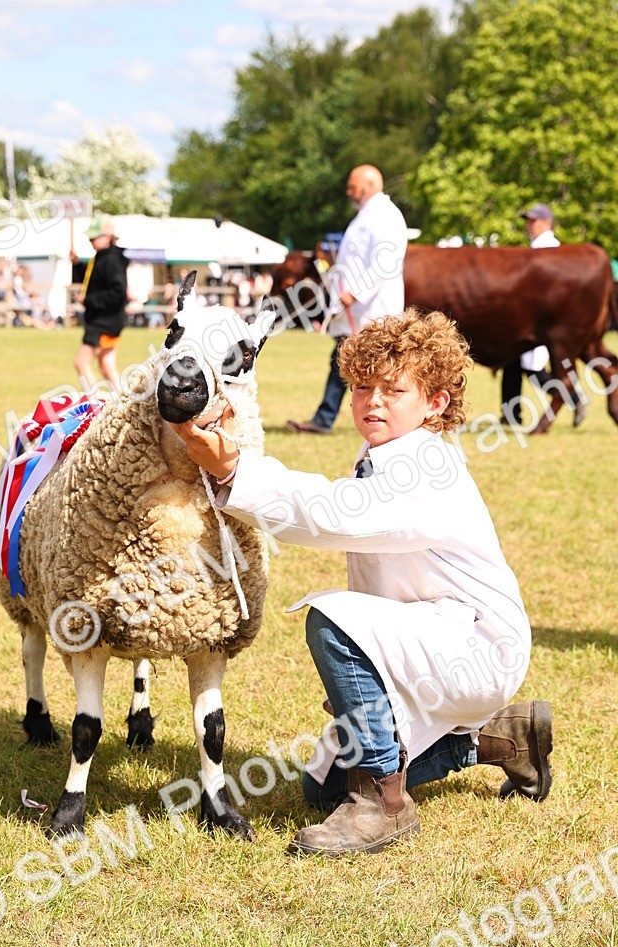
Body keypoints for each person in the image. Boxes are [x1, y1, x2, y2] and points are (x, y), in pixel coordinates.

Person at [170, 308, 552, 857]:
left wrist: (234, 468)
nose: (373, 401)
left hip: (476, 649)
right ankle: (504, 738)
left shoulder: (425, 468)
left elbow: (334, 513)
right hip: (433, 643)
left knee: (332, 619)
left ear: (436, 403)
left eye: (394, 390)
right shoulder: (379, 455)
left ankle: (383, 804)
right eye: (362, 387)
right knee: (319, 788)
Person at [287, 164, 408, 435]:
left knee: (384, 369)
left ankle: (400, 419)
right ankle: (324, 419)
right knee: (347, 362)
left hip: (374, 310)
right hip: (359, 311)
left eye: (353, 186)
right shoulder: (367, 216)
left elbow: (386, 261)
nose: (348, 192)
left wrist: (356, 292)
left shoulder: (385, 216)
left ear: (369, 184)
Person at [500, 204, 583, 426]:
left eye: (534, 221)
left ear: (547, 223)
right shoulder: (545, 247)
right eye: (528, 221)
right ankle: (511, 414)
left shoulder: (546, 249)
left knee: (534, 370)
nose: (529, 225)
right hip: (530, 320)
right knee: (512, 364)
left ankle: (574, 398)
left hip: (540, 321)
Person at [72, 213, 128, 392]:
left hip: (103, 322)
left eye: (94, 236)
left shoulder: (111, 260)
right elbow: (95, 280)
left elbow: (118, 291)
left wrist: (88, 300)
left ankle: (96, 405)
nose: (90, 240)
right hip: (108, 320)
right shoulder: (102, 257)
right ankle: (123, 404)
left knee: (81, 363)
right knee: (107, 366)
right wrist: (77, 263)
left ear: (107, 236)